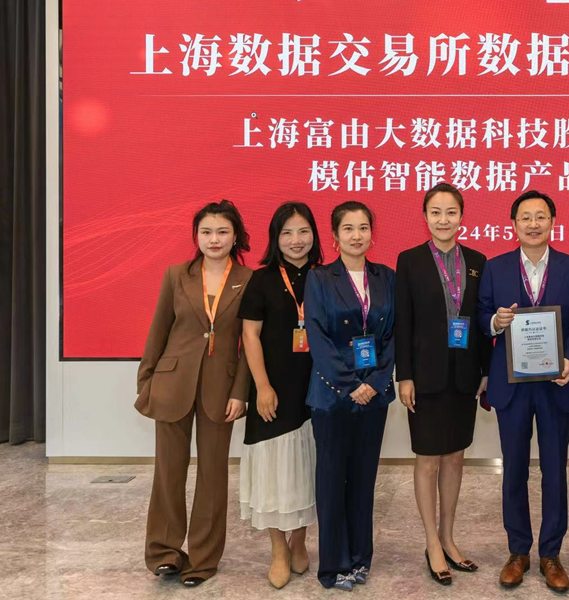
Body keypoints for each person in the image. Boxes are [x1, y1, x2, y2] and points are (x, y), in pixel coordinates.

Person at [477, 189, 569, 594]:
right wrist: (495, 321)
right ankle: (517, 552)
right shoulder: (495, 267)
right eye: (525, 217)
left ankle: (551, 554)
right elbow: (481, 315)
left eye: (540, 216)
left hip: (555, 382)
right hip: (511, 384)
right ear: (513, 224)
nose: (533, 224)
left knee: (554, 470)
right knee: (513, 468)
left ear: (552, 222)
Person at [134, 200, 253, 587]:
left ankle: (203, 559)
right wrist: (147, 381)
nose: (214, 239)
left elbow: (250, 344)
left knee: (213, 475)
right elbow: (159, 330)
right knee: (168, 471)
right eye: (206, 232)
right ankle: (164, 553)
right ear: (196, 236)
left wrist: (241, 392)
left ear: (235, 236)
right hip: (172, 384)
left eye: (222, 232)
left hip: (222, 390)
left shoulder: (249, 279)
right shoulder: (176, 275)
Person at [395, 183, 493, 585]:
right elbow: (404, 322)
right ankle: (431, 542)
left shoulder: (477, 261)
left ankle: (449, 537)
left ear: (462, 217)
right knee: (428, 458)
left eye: (451, 212)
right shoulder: (410, 260)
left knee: (455, 457)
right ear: (425, 217)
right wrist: (404, 374)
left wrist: (485, 370)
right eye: (435, 212)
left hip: (464, 376)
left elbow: (482, 321)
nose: (443, 219)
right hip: (425, 376)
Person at [305, 201, 395, 591]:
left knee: (363, 479)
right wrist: (350, 385)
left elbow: (393, 335)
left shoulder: (385, 276)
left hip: (374, 395)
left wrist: (374, 382)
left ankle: (360, 558)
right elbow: (317, 336)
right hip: (332, 395)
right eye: (348, 229)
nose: (356, 235)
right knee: (331, 481)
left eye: (363, 228)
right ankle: (334, 566)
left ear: (372, 233)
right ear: (335, 236)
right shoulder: (320, 278)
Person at [237, 202, 323, 588]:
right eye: (287, 233)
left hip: (316, 388)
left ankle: (300, 539)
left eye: (303, 231)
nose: (296, 240)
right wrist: (262, 386)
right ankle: (278, 548)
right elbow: (250, 335)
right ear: (275, 238)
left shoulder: (325, 277)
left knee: (309, 467)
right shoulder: (262, 280)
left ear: (314, 235)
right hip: (272, 388)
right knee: (273, 471)